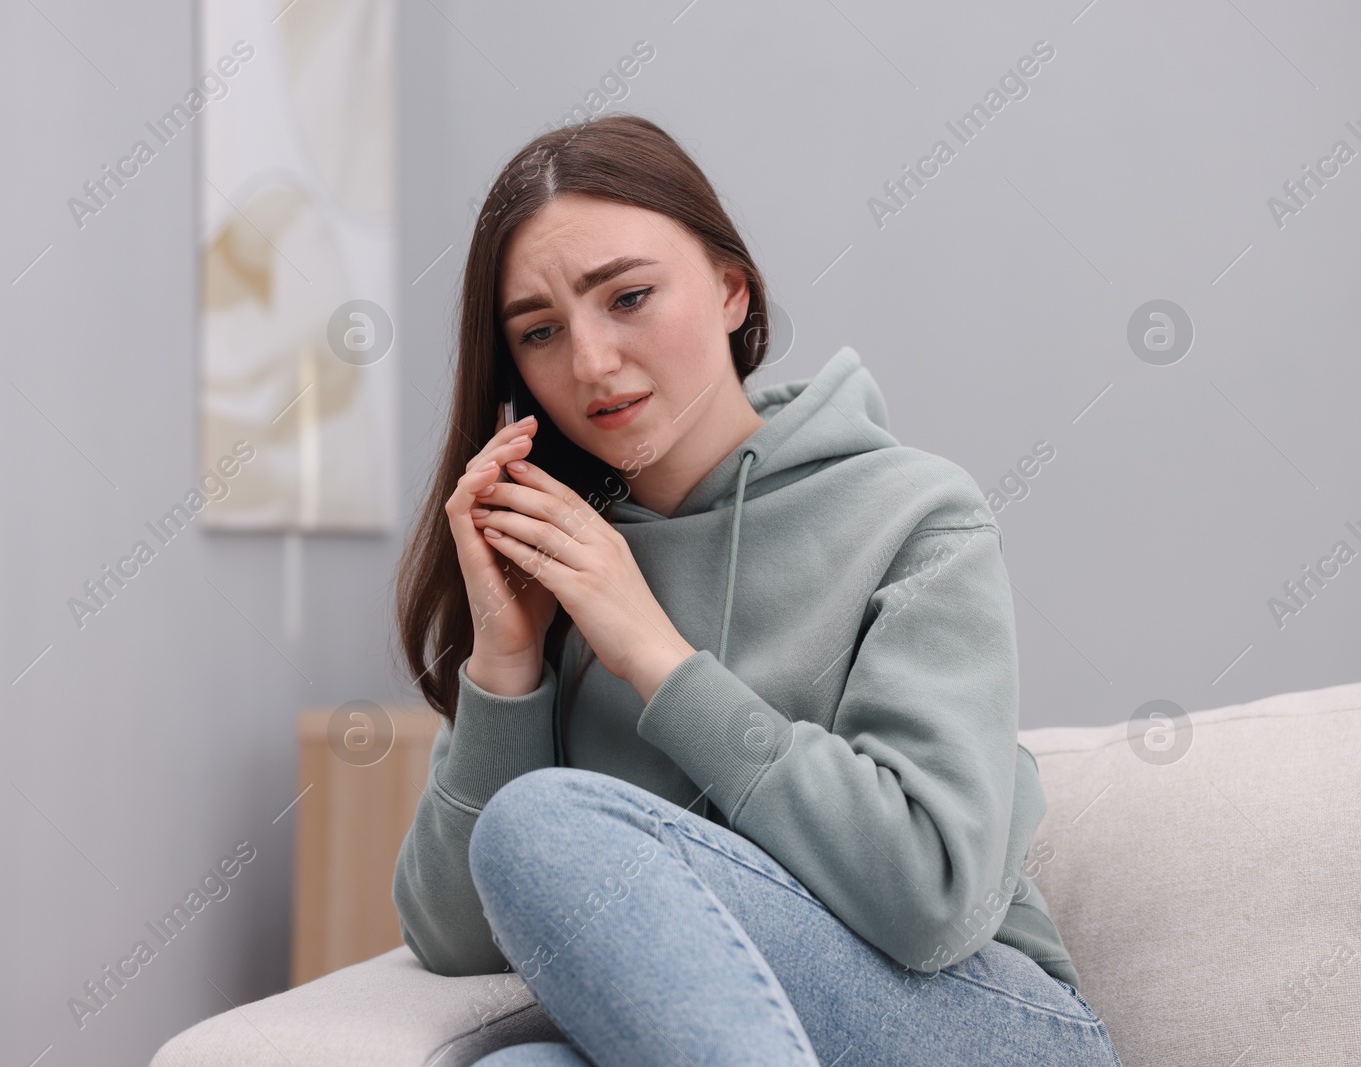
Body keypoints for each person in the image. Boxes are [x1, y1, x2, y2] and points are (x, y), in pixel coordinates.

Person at [391, 114, 1122, 1067]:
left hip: (983, 1024)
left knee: (545, 820)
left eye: (630, 296)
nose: (592, 363)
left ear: (733, 291)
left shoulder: (914, 514)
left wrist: (655, 657)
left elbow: (928, 898)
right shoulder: (564, 561)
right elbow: (455, 937)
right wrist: (507, 660)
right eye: (540, 331)